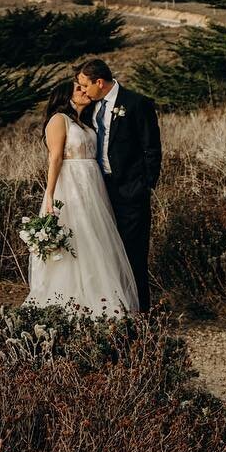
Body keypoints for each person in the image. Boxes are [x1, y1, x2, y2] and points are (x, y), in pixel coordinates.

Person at [22, 78, 140, 318]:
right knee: (78, 237)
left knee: (97, 238)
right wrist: (50, 194)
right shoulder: (59, 120)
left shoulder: (85, 123)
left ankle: (103, 298)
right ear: (66, 96)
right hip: (71, 185)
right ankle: (72, 305)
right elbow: (55, 158)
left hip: (92, 186)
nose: (84, 91)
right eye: (78, 89)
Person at [74, 57, 161, 313]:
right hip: (98, 192)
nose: (82, 90)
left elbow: (152, 148)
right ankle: (115, 311)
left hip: (131, 192)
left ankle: (141, 315)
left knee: (134, 255)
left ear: (99, 82)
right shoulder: (91, 107)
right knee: (106, 255)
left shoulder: (137, 103)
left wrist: (145, 186)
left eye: (84, 85)